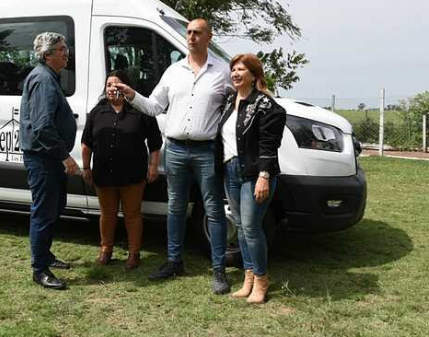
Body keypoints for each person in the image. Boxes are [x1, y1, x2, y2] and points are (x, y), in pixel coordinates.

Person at [114, 18, 232, 294]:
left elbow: (237, 102)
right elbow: (154, 107)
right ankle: (174, 261)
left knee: (214, 211)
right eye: (189, 32)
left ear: (208, 37)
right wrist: (132, 95)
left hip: (206, 151)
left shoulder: (223, 72)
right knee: (176, 209)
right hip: (176, 150)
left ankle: (219, 270)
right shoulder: (173, 71)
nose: (191, 37)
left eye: (197, 33)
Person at [215, 53, 286, 304]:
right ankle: (249, 278)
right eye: (233, 69)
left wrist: (264, 176)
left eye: (241, 69)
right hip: (230, 170)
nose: (235, 73)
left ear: (254, 75)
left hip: (255, 174)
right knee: (242, 230)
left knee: (252, 228)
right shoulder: (230, 102)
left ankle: (262, 279)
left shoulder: (265, 105)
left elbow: (269, 144)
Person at [81, 70, 162, 270]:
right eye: (109, 85)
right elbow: (86, 143)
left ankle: (134, 254)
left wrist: (153, 166)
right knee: (107, 213)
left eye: (116, 85)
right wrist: (85, 167)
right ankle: (106, 250)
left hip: (132, 174)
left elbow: (155, 143)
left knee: (132, 214)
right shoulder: (97, 112)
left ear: (126, 87)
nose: (112, 89)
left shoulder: (140, 111)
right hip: (103, 173)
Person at [20, 32, 79, 290]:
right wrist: (65, 157)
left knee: (54, 208)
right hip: (44, 158)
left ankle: (46, 256)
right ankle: (39, 269)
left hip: (49, 157)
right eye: (61, 49)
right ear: (47, 55)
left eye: (66, 48)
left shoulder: (49, 77)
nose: (67, 52)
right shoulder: (43, 80)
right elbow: (42, 127)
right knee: (44, 212)